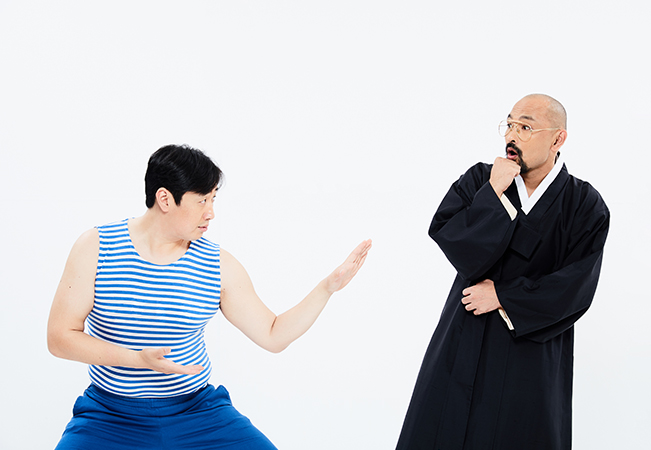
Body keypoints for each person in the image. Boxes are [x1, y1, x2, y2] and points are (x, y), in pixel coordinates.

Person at [47, 144, 372, 449]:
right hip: (109, 415)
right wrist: (136, 359)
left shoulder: (216, 265)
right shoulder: (97, 247)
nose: (211, 212)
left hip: (197, 412)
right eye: (202, 200)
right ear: (165, 199)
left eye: (213, 199)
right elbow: (60, 338)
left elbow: (273, 335)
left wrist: (327, 288)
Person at [396, 94, 609, 450]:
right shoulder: (481, 179)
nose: (511, 135)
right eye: (509, 125)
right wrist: (493, 192)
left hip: (530, 350)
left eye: (525, 127)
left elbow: (575, 288)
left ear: (558, 139)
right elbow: (454, 243)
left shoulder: (585, 205)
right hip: (465, 335)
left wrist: (503, 296)